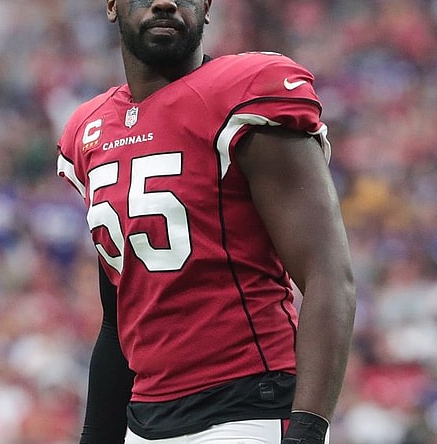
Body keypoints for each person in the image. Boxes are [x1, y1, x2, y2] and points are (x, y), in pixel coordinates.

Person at [56, 1, 356, 442]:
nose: (165, 1)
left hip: (248, 412)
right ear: (112, 5)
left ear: (208, 7)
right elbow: (116, 319)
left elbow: (329, 275)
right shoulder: (90, 129)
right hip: (144, 422)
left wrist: (307, 431)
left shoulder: (246, 90)